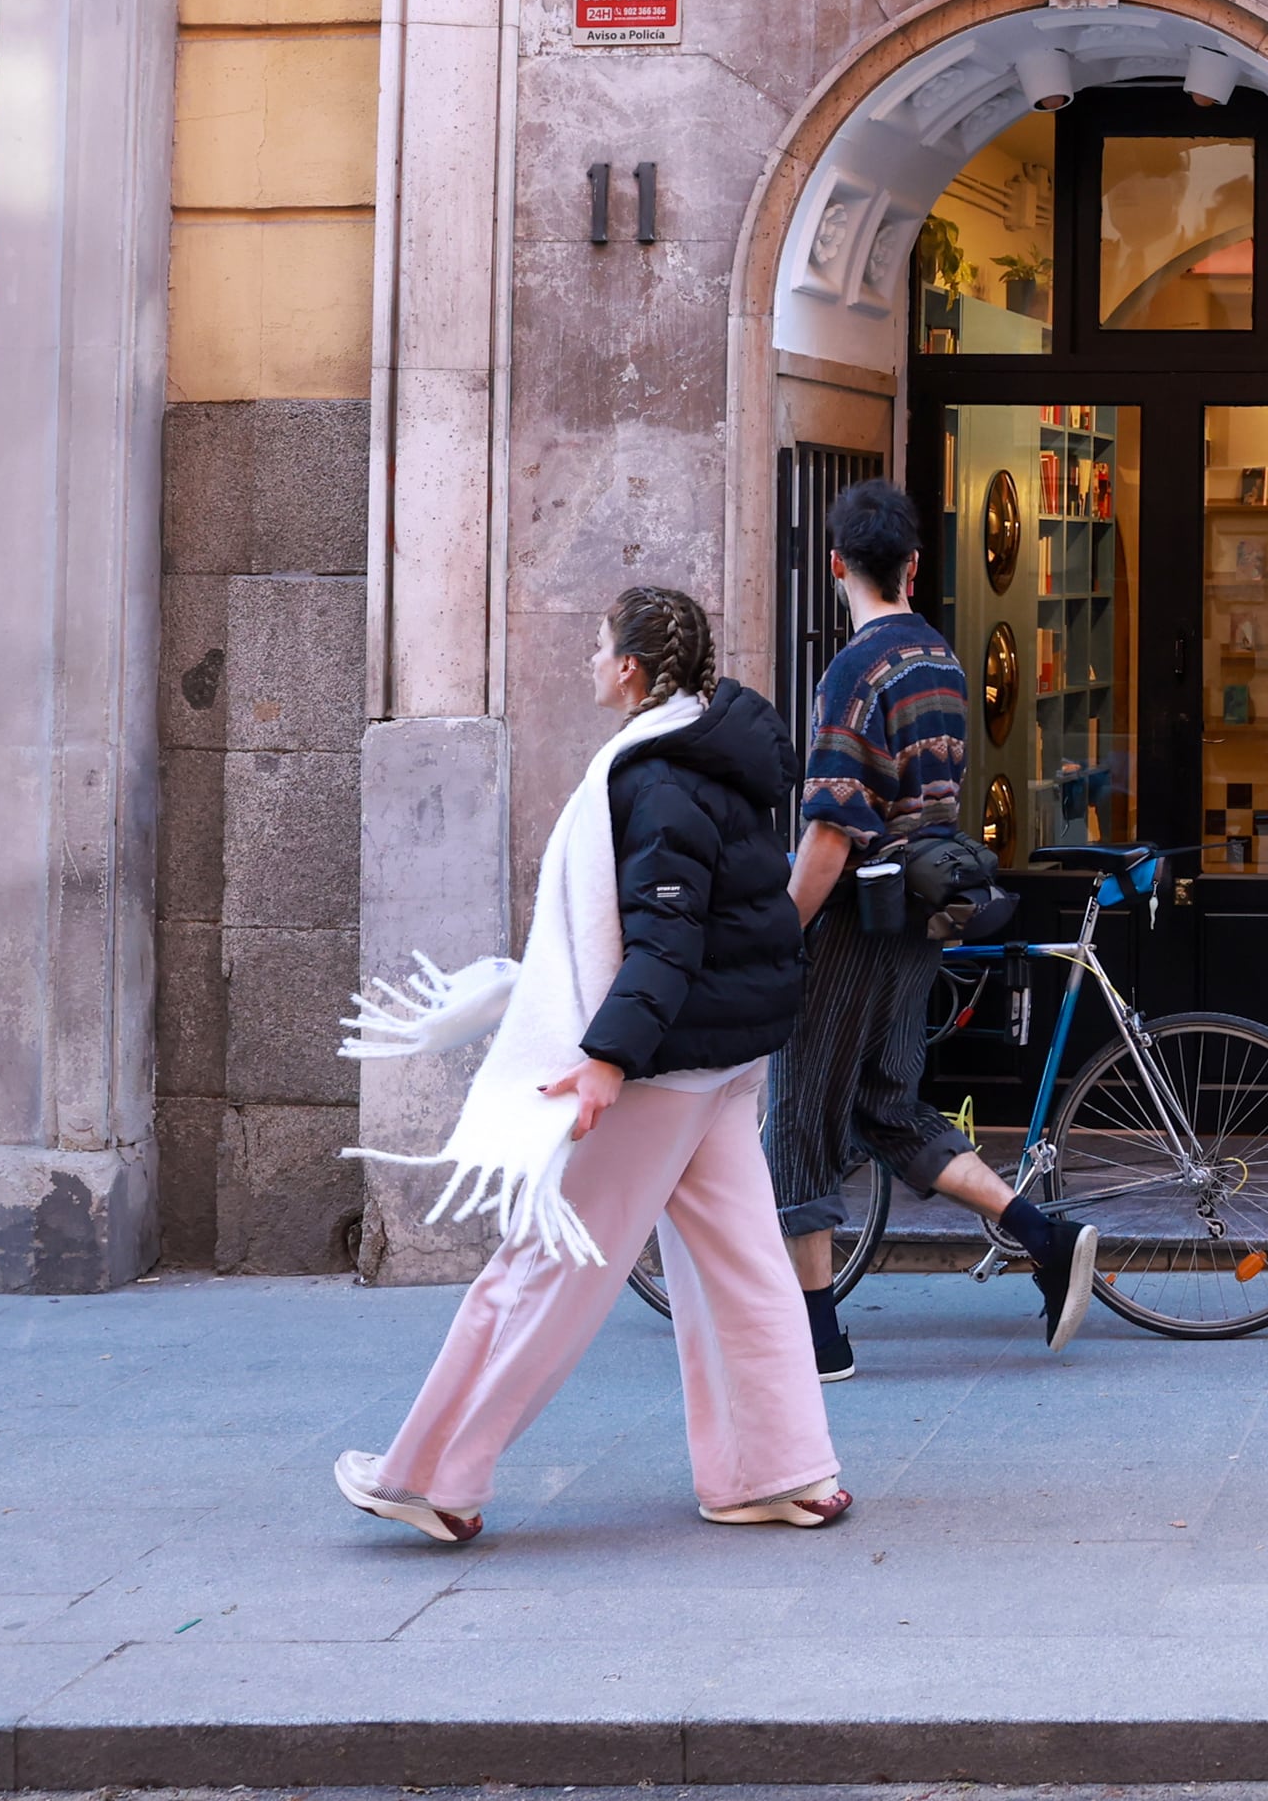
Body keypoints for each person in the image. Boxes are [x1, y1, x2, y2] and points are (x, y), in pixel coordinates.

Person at [334, 584, 848, 1542]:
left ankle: (434, 1477)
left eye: (597, 645)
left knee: (541, 1264)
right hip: (725, 1057)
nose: (586, 661)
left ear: (632, 671)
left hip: (661, 1064)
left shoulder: (653, 776)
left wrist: (608, 1058)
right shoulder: (714, 754)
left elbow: (665, 936)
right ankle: (778, 1472)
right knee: (741, 1266)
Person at [765, 478, 1099, 1377]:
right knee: (885, 1105)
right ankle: (1042, 1232)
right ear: (912, 565)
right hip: (920, 918)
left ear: (836, 565)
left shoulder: (854, 672)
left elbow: (833, 826)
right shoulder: (945, 661)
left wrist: (782, 928)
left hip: (849, 926)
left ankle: (819, 1339)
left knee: (795, 1118)